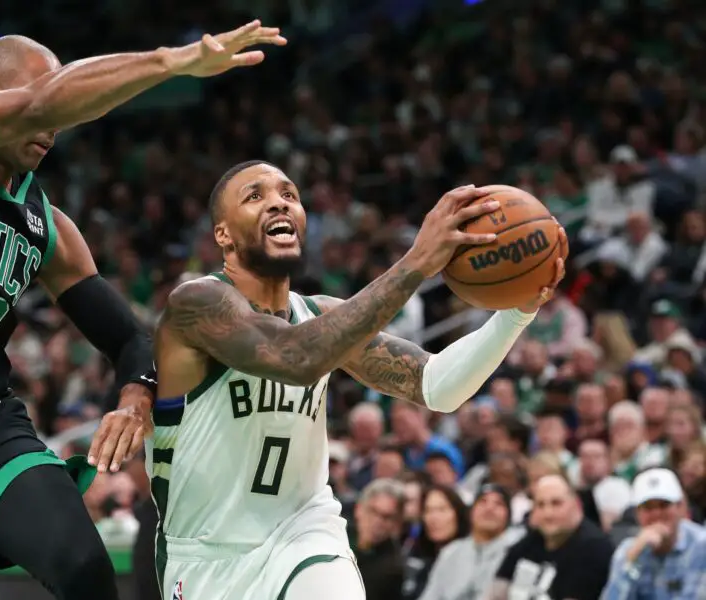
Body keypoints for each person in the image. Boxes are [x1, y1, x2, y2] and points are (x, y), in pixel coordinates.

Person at [0, 26, 286, 600]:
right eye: (46, 93)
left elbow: (127, 339)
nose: (55, 123)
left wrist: (137, 395)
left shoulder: (48, 226)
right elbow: (43, 102)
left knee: (83, 568)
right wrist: (170, 61)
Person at [107, 160, 565, 600]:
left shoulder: (321, 315)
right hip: (206, 558)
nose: (279, 203)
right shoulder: (197, 303)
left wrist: (518, 311)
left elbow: (439, 387)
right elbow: (296, 355)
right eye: (255, 196)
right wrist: (417, 263)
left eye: (290, 194)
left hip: (305, 534)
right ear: (222, 234)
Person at [487, 474, 615, 600]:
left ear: (577, 504)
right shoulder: (527, 543)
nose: (548, 513)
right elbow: (496, 593)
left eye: (556, 503)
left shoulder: (595, 548)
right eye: (540, 505)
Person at [601, 468, 706, 599]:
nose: (656, 514)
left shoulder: (701, 546)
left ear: (680, 507)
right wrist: (633, 561)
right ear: (637, 514)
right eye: (648, 507)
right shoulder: (628, 551)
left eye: (664, 505)